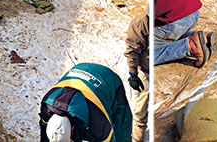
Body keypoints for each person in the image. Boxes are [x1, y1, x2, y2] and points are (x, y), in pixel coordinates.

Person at [39, 63, 132, 142]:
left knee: (122, 131)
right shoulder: (47, 109)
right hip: (78, 71)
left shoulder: (99, 125)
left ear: (72, 128)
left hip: (108, 79)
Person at [154, 0, 216, 67]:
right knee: (165, 37)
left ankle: (191, 46)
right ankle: (201, 37)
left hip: (177, 20)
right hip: (193, 12)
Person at [124, 12, 148, 142]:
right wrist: (133, 74)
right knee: (142, 104)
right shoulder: (140, 24)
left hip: (161, 64)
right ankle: (139, 129)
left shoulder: (169, 18)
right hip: (145, 69)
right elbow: (132, 50)